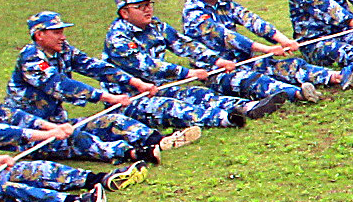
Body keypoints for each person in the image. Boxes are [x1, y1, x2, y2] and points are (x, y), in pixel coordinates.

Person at [14, 7, 239, 135]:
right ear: (39, 35)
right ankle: (223, 120)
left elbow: (96, 67)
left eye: (62, 31)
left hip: (59, 120)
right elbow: (64, 86)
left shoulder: (64, 50)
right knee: (101, 132)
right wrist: (109, 96)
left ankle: (242, 109)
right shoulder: (31, 59)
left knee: (197, 95)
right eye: (56, 32)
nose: (62, 36)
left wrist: (136, 84)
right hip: (32, 126)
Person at [0, 50, 159, 166]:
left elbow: (6, 114)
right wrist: (47, 133)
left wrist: (50, 127)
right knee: (69, 142)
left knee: (108, 122)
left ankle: (154, 140)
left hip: (44, 126)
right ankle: (129, 154)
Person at [181, 0, 353, 91]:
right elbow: (228, 37)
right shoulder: (194, 13)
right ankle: (297, 93)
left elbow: (253, 21)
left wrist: (283, 40)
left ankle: (336, 77)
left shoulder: (225, 3)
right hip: (216, 69)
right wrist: (267, 48)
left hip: (242, 60)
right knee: (256, 81)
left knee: (289, 65)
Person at [96, 0, 261, 127]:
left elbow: (184, 44)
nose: (147, 10)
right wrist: (188, 73)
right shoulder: (117, 39)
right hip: (128, 98)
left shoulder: (155, 25)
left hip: (158, 87)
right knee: (173, 108)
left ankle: (248, 107)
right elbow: (148, 66)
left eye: (148, 5)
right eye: (140, 7)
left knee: (199, 94)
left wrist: (216, 60)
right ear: (124, 12)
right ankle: (225, 119)